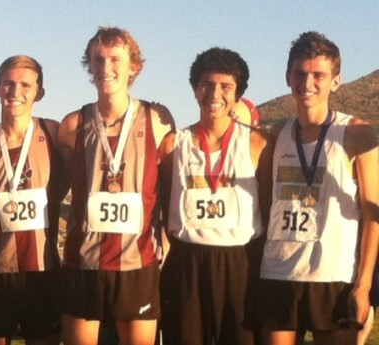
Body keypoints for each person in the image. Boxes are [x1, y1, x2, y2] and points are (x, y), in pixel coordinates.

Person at [254, 31, 379, 345]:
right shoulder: (276, 134)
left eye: (318, 75)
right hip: (278, 274)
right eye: (299, 73)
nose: (307, 83)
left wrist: (363, 286)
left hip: (333, 276)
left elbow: (372, 215)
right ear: (287, 77)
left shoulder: (357, 134)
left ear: (336, 81)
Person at [55, 26, 175, 345]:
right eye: (98, 59)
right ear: (89, 66)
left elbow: (170, 190)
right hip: (84, 263)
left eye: (115, 59)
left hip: (138, 264)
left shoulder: (158, 120)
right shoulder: (72, 125)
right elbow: (61, 187)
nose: (106, 68)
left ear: (134, 66)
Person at [159, 47, 270, 345]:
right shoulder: (173, 144)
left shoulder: (257, 143)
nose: (214, 94)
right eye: (206, 84)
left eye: (225, 87)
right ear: (195, 90)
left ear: (237, 95)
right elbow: (162, 201)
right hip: (187, 262)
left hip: (240, 262)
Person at [0, 55, 66, 345]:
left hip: (43, 271)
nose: (15, 92)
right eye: (8, 83)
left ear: (39, 93)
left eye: (25, 85)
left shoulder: (54, 133)